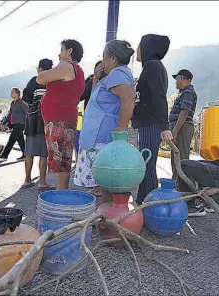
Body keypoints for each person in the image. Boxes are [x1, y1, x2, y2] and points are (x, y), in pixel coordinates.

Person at [74, 39, 136, 201]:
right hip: (98, 135)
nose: (102, 61)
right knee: (105, 186)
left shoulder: (117, 73)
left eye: (104, 57)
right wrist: (95, 78)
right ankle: (106, 218)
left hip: (102, 137)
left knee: (107, 182)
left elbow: (129, 97)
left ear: (113, 59)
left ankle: (108, 220)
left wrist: (121, 126)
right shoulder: (114, 75)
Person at [131, 34, 173, 204]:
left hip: (151, 124)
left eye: (140, 46)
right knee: (146, 163)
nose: (137, 50)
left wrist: (165, 126)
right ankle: (144, 201)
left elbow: (159, 97)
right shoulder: (152, 66)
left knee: (147, 164)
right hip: (147, 123)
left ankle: (146, 204)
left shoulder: (152, 66)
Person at [38, 39, 85, 190]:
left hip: (59, 119)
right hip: (66, 117)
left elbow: (40, 78)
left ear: (69, 51)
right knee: (64, 159)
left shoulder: (66, 66)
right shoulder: (78, 69)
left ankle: (61, 192)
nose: (59, 54)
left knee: (60, 159)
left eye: (62, 50)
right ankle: (61, 190)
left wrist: (60, 63)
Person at [22, 58, 53, 189]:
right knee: (43, 153)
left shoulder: (34, 80)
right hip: (47, 119)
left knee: (29, 151)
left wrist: (35, 107)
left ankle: (27, 180)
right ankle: (42, 181)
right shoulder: (53, 81)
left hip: (32, 119)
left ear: (40, 69)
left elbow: (25, 99)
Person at [169, 69, 197, 186]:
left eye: (177, 78)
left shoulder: (188, 92)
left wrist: (175, 132)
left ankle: (183, 187)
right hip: (179, 128)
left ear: (184, 78)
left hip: (182, 128)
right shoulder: (183, 92)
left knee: (181, 159)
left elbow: (184, 113)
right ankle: (175, 184)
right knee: (176, 158)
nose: (175, 81)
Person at [0, 87, 27, 160]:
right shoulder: (12, 103)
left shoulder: (21, 102)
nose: (11, 94)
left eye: (12, 92)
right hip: (15, 123)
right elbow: (10, 114)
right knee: (20, 140)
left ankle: (4, 154)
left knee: (12, 139)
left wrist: (28, 123)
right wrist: (3, 123)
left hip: (21, 123)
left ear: (17, 93)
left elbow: (27, 112)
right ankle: (25, 154)